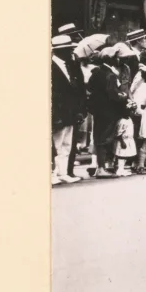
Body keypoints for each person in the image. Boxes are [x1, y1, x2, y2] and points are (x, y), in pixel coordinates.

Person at [86, 48, 131, 178]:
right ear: (112, 59)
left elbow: (90, 89)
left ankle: (100, 167)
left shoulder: (96, 72)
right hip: (109, 111)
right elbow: (112, 94)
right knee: (105, 139)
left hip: (98, 111)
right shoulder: (110, 75)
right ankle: (101, 168)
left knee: (98, 137)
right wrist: (122, 96)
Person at [51, 35, 83, 185]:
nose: (71, 51)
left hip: (69, 112)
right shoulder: (51, 66)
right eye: (68, 49)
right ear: (60, 51)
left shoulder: (68, 65)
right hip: (59, 112)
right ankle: (52, 174)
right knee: (55, 145)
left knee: (66, 145)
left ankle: (62, 173)